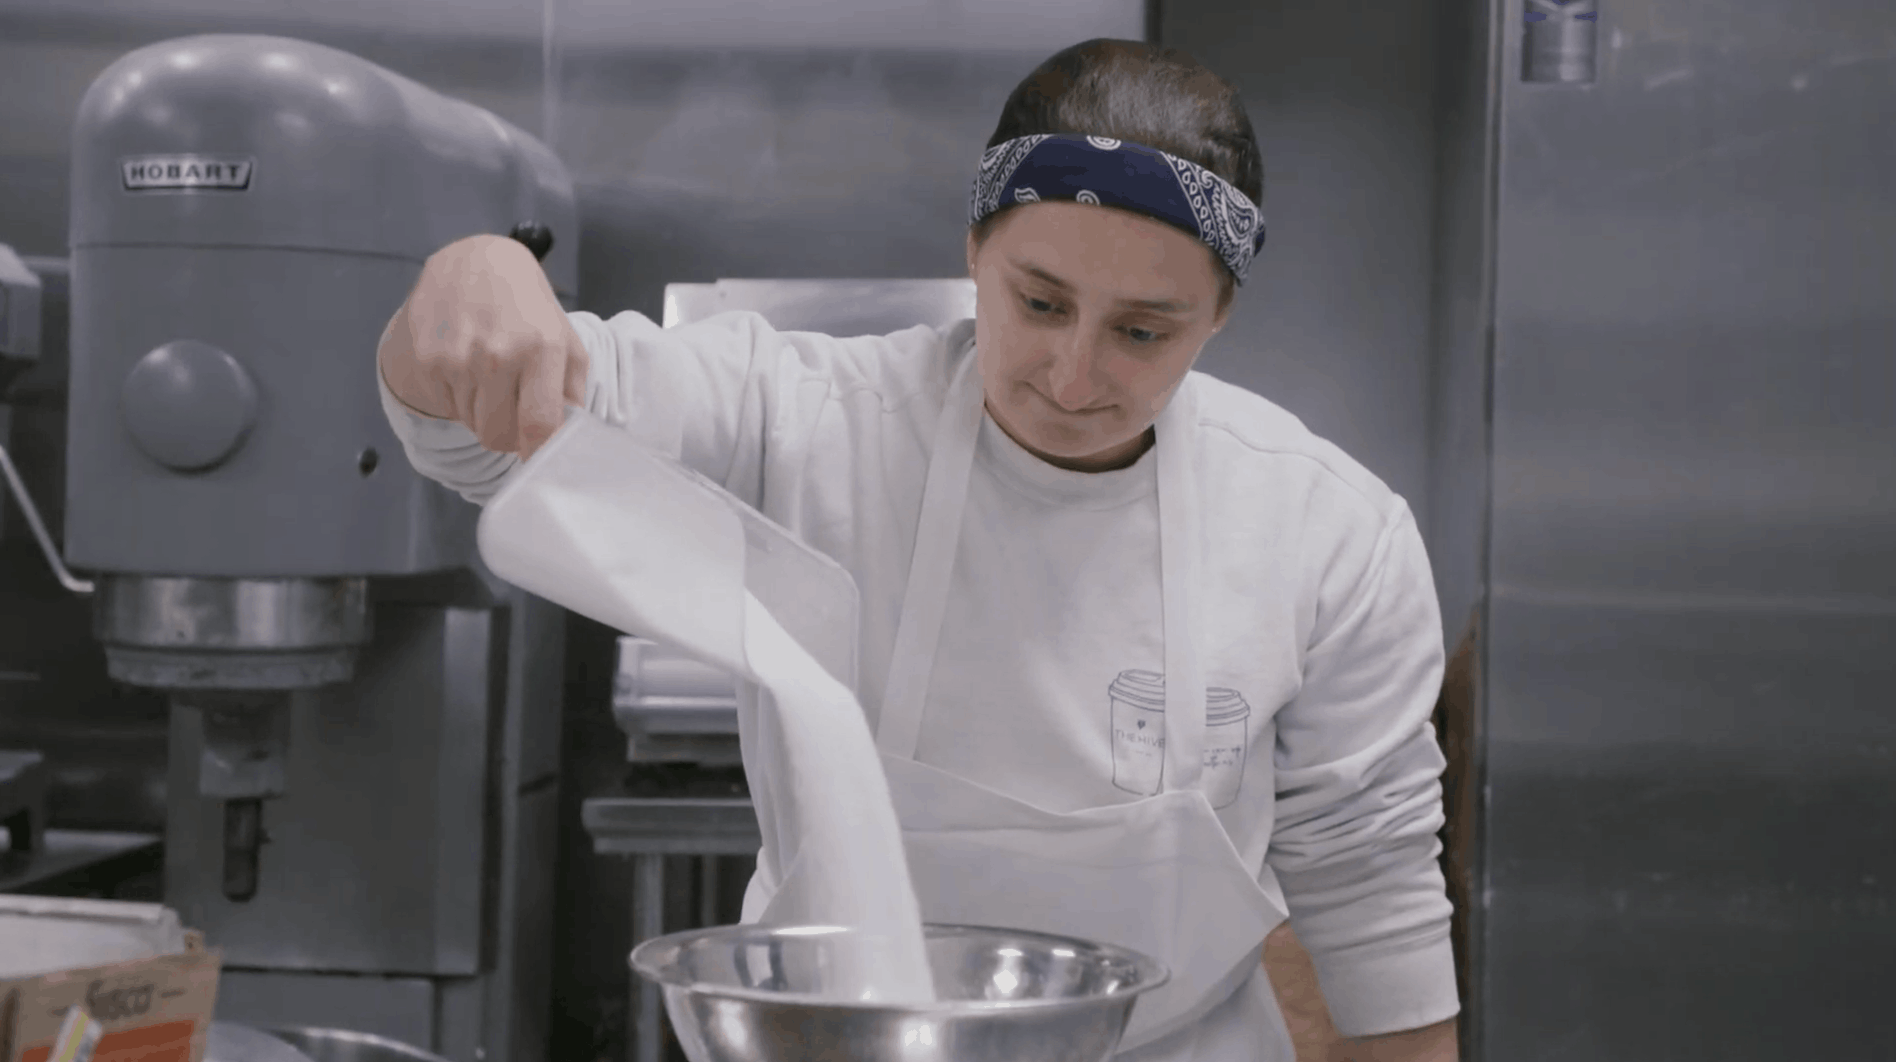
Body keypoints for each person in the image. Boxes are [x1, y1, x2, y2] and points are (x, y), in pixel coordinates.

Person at [376, 38, 1459, 1062]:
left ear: (1218, 315)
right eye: (1038, 303)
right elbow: (481, 440)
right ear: (974, 250)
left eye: (1143, 331)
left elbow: (1376, 909)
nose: (1072, 377)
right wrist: (473, 279)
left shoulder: (1327, 534)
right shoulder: (803, 418)